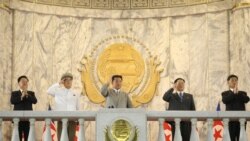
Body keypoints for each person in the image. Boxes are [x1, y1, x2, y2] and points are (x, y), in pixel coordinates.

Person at [47, 72, 80, 140]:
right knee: (61, 139)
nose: (68, 81)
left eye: (70, 79)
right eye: (66, 80)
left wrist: (77, 120)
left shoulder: (75, 93)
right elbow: (49, 91)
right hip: (61, 120)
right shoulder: (58, 91)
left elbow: (77, 107)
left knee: (71, 139)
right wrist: (59, 83)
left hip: (72, 120)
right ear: (63, 81)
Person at [222, 74, 249, 141]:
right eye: (232, 80)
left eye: (236, 80)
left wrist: (237, 92)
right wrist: (233, 93)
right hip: (230, 121)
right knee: (231, 138)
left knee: (241, 138)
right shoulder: (225, 93)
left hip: (241, 121)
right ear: (228, 82)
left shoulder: (242, 93)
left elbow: (247, 99)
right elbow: (225, 100)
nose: (234, 82)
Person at [10, 75, 37, 141]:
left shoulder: (31, 93)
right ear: (19, 83)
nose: (25, 83)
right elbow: (12, 101)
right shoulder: (14, 93)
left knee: (28, 138)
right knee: (17, 138)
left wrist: (27, 95)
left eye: (26, 81)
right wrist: (21, 97)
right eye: (22, 81)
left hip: (28, 120)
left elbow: (35, 101)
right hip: (17, 120)